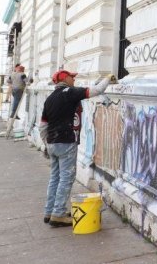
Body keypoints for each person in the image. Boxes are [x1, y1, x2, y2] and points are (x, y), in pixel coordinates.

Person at [39, 70, 113, 227]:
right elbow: (97, 91)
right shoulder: (70, 92)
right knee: (66, 178)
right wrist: (108, 78)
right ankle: (58, 214)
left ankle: (50, 211)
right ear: (64, 78)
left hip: (52, 142)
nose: (74, 79)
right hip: (66, 141)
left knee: (55, 177)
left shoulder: (50, 99)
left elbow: (43, 125)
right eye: (72, 77)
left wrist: (46, 143)